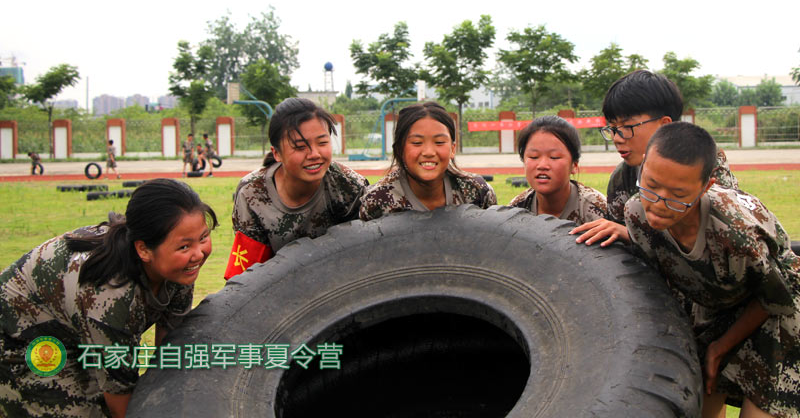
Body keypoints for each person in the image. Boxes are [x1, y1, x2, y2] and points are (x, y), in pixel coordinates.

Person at [0, 178, 218, 418]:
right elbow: (120, 398)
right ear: (144, 250)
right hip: (19, 340)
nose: (199, 254)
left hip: (79, 331)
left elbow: (169, 344)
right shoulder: (110, 297)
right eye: (184, 247)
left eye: (203, 238)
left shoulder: (178, 267)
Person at [625, 122, 800, 418]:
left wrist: (720, 347)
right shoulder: (636, 214)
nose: (658, 204)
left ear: (706, 187)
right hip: (716, 311)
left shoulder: (737, 233)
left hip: (778, 317)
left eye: (677, 194)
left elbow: (775, 298)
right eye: (651, 185)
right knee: (697, 409)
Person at [225, 98, 368, 279]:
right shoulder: (252, 193)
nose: (314, 154)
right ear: (276, 153)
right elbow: (247, 273)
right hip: (277, 285)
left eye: (322, 143)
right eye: (300, 147)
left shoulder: (348, 184)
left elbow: (366, 251)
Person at [599, 70, 737, 223]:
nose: (617, 138)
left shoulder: (704, 161)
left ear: (664, 125)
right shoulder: (622, 177)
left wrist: (629, 236)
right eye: (612, 129)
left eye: (627, 127)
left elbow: (717, 227)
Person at [360, 101, 497, 221]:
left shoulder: (477, 191)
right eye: (417, 142)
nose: (429, 152)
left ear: (453, 148)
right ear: (400, 149)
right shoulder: (378, 200)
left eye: (439, 142)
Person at [507, 116, 607, 224]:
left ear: (574, 165)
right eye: (534, 157)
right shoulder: (515, 209)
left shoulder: (596, 211)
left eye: (554, 157)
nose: (542, 165)